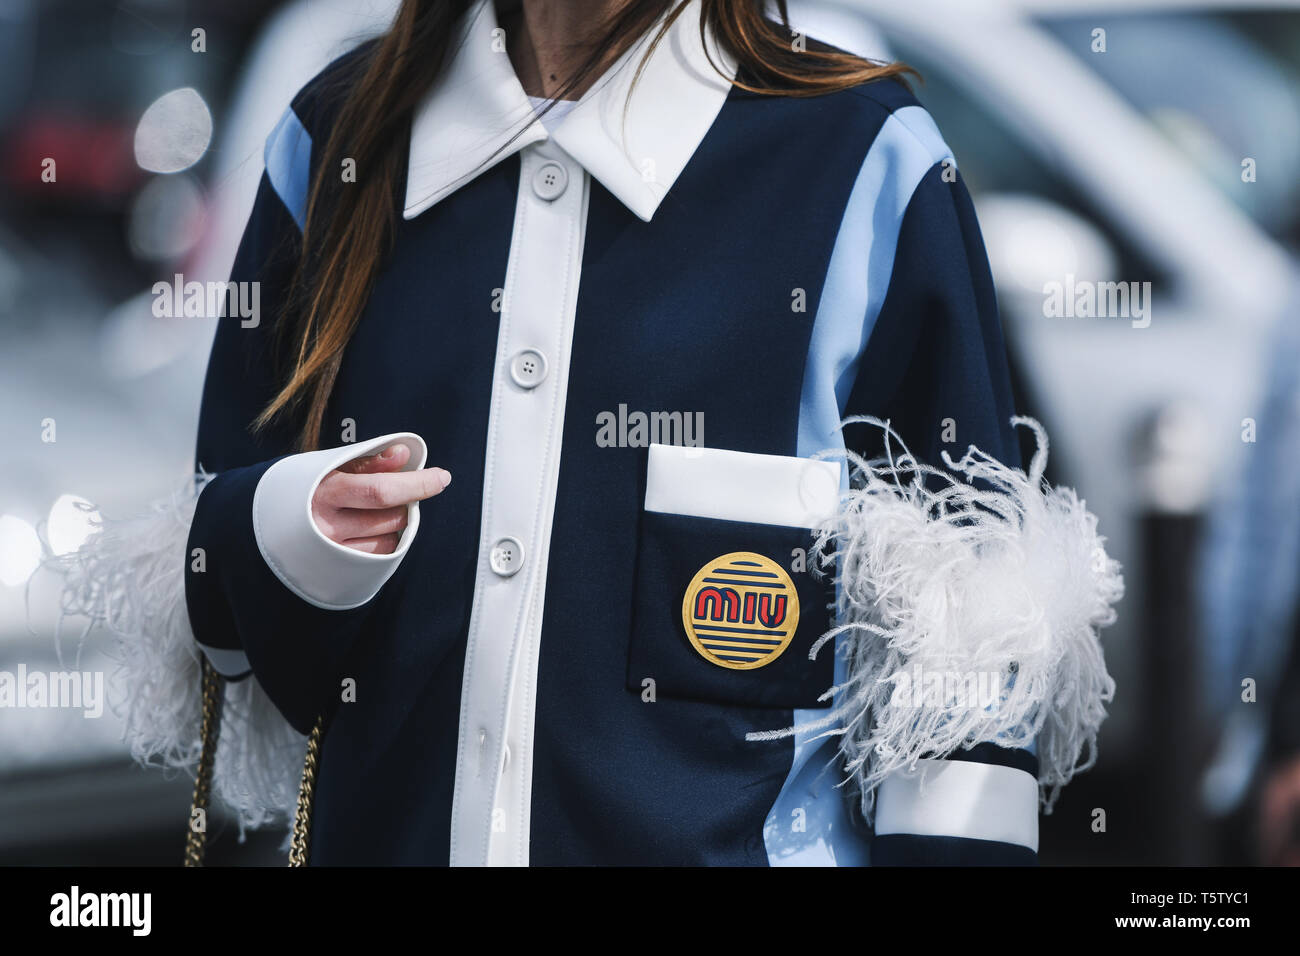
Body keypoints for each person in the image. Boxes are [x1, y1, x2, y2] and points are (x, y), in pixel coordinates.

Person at [83, 0, 1120, 866]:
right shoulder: (333, 139)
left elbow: (968, 669)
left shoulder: (862, 157)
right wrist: (292, 531)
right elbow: (209, 594)